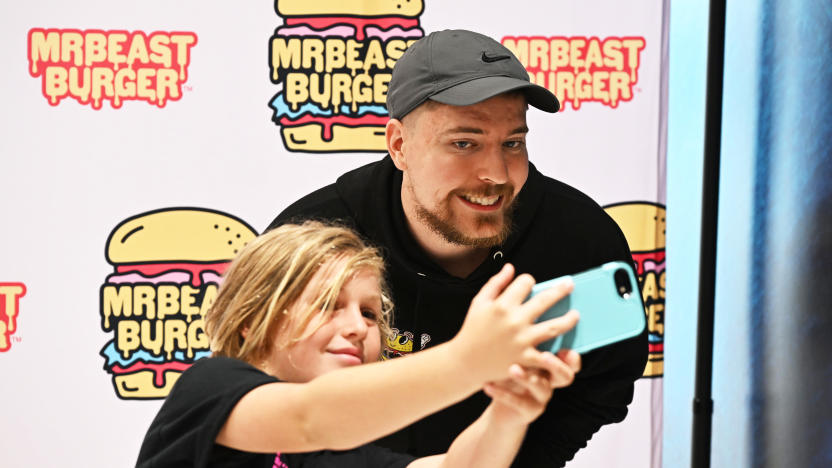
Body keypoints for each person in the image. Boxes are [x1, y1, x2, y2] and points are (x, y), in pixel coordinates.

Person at [267, 29, 649, 466]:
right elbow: (266, 387)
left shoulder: (578, 238)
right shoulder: (314, 238)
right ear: (399, 145)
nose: (496, 173)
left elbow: (606, 381)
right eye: (463, 143)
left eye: (512, 143)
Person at [135, 221, 581, 468]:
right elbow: (310, 416)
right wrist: (468, 359)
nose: (358, 327)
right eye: (330, 304)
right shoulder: (210, 387)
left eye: (369, 313)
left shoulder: (337, 452)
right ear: (254, 320)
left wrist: (509, 412)